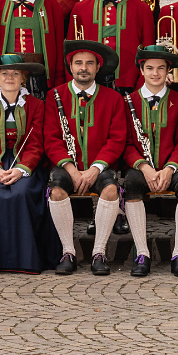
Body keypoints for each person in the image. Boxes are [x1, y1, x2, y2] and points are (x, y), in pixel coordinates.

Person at [44, 39, 127, 275]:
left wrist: (95, 169)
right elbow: (51, 138)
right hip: (66, 166)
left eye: (89, 63)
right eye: (78, 63)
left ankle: (98, 252)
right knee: (56, 191)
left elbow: (116, 139)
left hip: (98, 167)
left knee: (111, 190)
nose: (83, 68)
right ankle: (68, 251)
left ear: (98, 67)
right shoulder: (54, 95)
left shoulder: (113, 98)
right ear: (70, 66)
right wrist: (71, 169)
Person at [0, 54, 52, 273]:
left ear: (23, 78)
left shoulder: (37, 105)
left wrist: (22, 169)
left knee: (22, 192)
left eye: (15, 73)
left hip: (26, 164)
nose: (10, 77)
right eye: (4, 73)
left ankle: (25, 260)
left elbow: (36, 145)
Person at [120, 41, 178, 277]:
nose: (155, 73)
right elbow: (126, 143)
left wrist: (170, 169)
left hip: (172, 167)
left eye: (161, 68)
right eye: (150, 68)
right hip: (141, 167)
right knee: (131, 184)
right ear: (141, 70)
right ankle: (142, 254)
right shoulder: (128, 101)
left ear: (168, 71)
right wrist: (144, 167)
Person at [68, 0, 156, 91]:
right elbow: (71, 52)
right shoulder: (80, 8)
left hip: (130, 83)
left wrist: (141, 85)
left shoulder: (142, 8)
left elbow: (148, 51)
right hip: (90, 83)